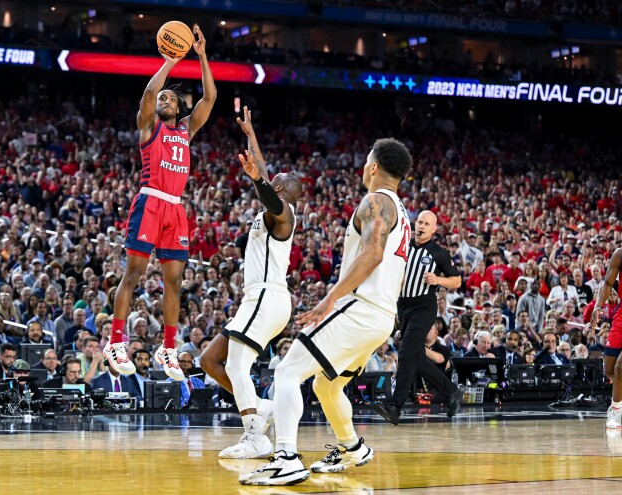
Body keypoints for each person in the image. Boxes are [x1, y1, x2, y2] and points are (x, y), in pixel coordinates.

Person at [240, 138, 412, 485]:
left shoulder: (375, 200)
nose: (364, 166)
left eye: (366, 160)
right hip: (380, 319)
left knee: (288, 371)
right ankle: (353, 447)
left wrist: (330, 298)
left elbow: (373, 254)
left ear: (374, 167)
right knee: (327, 386)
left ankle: (286, 458)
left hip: (360, 309)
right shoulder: (402, 210)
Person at [103, 23, 217, 382]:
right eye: (163, 99)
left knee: (174, 281)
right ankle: (115, 341)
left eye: (171, 98)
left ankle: (168, 347)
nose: (165, 100)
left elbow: (209, 99)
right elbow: (150, 91)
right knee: (133, 273)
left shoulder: (185, 130)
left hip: (176, 208)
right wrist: (170, 60)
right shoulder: (149, 127)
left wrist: (201, 57)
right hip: (150, 200)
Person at [196, 106, 303, 458]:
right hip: (256, 300)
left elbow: (268, 192)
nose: (274, 178)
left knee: (237, 365)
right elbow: (264, 177)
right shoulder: (272, 202)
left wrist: (258, 180)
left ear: (287, 190)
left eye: (279, 179)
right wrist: (251, 135)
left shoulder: (284, 214)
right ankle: (261, 406)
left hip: (267, 297)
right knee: (210, 360)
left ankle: (256, 435)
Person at [374, 210, 463, 425]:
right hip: (403, 306)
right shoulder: (402, 246)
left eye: (426, 224)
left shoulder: (438, 253)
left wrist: (438, 280)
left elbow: (457, 281)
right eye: (419, 222)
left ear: (433, 229)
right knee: (417, 359)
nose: (421, 226)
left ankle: (395, 406)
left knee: (405, 352)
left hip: (424, 307)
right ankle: (452, 391)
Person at [594, 243, 622, 429]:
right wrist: (598, 306)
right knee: (610, 371)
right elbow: (607, 283)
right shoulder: (621, 254)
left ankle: (614, 411)